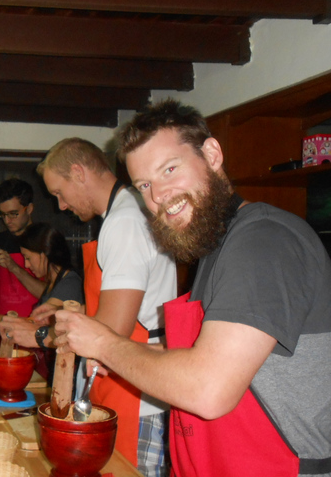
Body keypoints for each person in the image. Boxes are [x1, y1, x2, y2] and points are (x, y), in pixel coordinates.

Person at [55, 99, 331, 476]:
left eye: (170, 169)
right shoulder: (217, 247)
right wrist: (128, 353)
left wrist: (104, 343)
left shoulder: (263, 240)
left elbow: (208, 388)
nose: (159, 196)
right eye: (145, 185)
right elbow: (224, 355)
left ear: (212, 154)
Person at [39, 137, 177, 477]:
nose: (60, 206)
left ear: (78, 172)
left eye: (59, 193)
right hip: (122, 376)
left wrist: (44, 335)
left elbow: (112, 330)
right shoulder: (122, 213)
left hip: (138, 392)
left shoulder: (125, 222)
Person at [0, 223, 83, 380]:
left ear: (43, 255)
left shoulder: (69, 283)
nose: (26, 264)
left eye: (28, 258)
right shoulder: (55, 282)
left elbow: (37, 325)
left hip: (65, 373)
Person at [0, 178, 45, 317]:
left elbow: (51, 294)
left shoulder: (45, 239)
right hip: (2, 324)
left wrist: (13, 267)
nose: (7, 220)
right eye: (2, 214)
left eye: (13, 213)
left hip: (35, 327)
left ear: (29, 209)